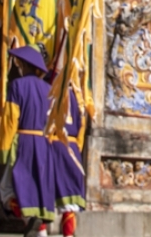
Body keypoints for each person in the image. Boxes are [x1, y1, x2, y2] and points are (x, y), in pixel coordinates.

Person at [0, 45, 56, 237]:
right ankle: (40, 232)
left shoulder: (17, 85)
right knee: (37, 187)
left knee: (7, 189)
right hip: (43, 143)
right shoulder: (48, 89)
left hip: (22, 141)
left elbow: (10, 119)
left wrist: (3, 148)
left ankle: (27, 217)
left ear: (22, 65)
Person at [51, 87, 87, 237]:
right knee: (70, 198)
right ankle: (68, 233)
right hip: (72, 146)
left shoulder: (52, 91)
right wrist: (78, 146)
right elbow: (83, 123)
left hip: (55, 143)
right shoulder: (79, 95)